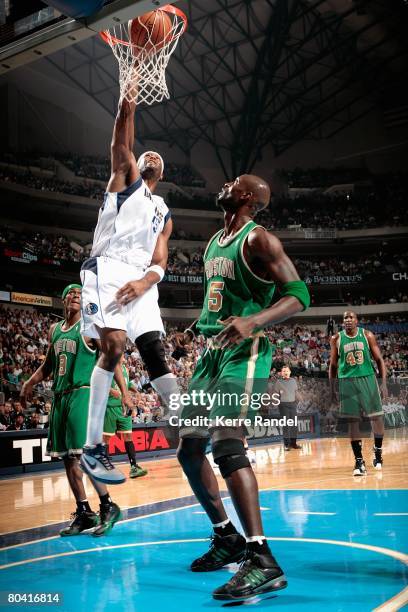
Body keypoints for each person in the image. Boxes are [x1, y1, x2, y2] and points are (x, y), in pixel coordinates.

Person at [176, 174, 310, 601]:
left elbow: (300, 294)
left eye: (234, 182)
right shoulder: (216, 241)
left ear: (248, 197)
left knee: (227, 445)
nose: (226, 184)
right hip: (212, 352)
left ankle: (261, 558)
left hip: (246, 351)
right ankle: (226, 536)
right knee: (188, 446)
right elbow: (219, 298)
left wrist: (253, 319)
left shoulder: (259, 240)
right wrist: (201, 324)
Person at [79, 90, 179, 485]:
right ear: (136, 164)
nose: (151, 156)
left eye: (158, 158)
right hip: (109, 269)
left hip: (141, 281)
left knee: (154, 348)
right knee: (116, 346)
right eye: (145, 154)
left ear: (163, 174)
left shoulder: (164, 213)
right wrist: (128, 107)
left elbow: (161, 262)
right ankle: (92, 447)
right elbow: (120, 143)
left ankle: (183, 420)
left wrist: (145, 281)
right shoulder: (125, 179)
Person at [21, 285, 123, 537]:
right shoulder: (55, 330)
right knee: (68, 460)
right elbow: (48, 365)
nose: (76, 296)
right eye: (71, 293)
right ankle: (84, 512)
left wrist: (125, 391)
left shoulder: (90, 326)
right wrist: (29, 382)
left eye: (80, 293)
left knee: (83, 455)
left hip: (82, 392)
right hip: (60, 397)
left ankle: (108, 505)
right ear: (63, 300)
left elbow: (112, 355)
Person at [329, 311, 387, 476]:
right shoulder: (336, 339)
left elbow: (379, 360)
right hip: (346, 382)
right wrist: (332, 388)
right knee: (352, 422)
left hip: (367, 379)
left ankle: (377, 452)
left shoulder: (367, 335)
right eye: (345, 317)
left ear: (356, 320)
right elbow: (333, 366)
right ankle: (359, 461)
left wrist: (383, 383)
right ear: (343, 322)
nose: (348, 320)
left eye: (350, 317)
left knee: (376, 418)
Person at [103, 355, 147, 478]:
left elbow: (126, 384)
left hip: (123, 407)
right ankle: (105, 468)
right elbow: (100, 382)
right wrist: (112, 391)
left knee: (128, 435)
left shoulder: (125, 369)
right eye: (121, 353)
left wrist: (136, 391)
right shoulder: (108, 366)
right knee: (106, 438)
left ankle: (134, 466)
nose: (123, 356)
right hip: (110, 407)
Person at [273, 365, 301, 450]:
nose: (285, 372)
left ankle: (294, 443)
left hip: (293, 405)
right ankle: (286, 445)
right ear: (281, 373)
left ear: (290, 372)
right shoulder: (278, 382)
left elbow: (296, 392)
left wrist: (298, 401)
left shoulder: (293, 381)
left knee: (294, 425)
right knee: (286, 425)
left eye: (287, 371)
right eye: (284, 371)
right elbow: (275, 394)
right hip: (283, 405)